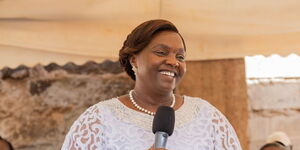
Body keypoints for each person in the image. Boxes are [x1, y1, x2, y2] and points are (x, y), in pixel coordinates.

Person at [61, 19, 242, 150]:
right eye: (161, 52)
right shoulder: (98, 120)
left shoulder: (207, 117)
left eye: (180, 57)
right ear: (134, 60)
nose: (173, 62)